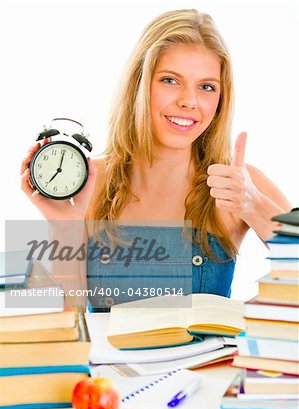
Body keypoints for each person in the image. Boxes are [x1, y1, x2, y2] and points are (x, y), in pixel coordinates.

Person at [20, 9, 291, 310]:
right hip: (112, 359)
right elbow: (68, 327)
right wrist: (64, 227)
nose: (188, 101)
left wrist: (255, 207)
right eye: (170, 81)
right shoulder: (90, 181)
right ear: (140, 85)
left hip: (209, 360)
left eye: (206, 87)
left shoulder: (239, 183)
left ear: (220, 100)